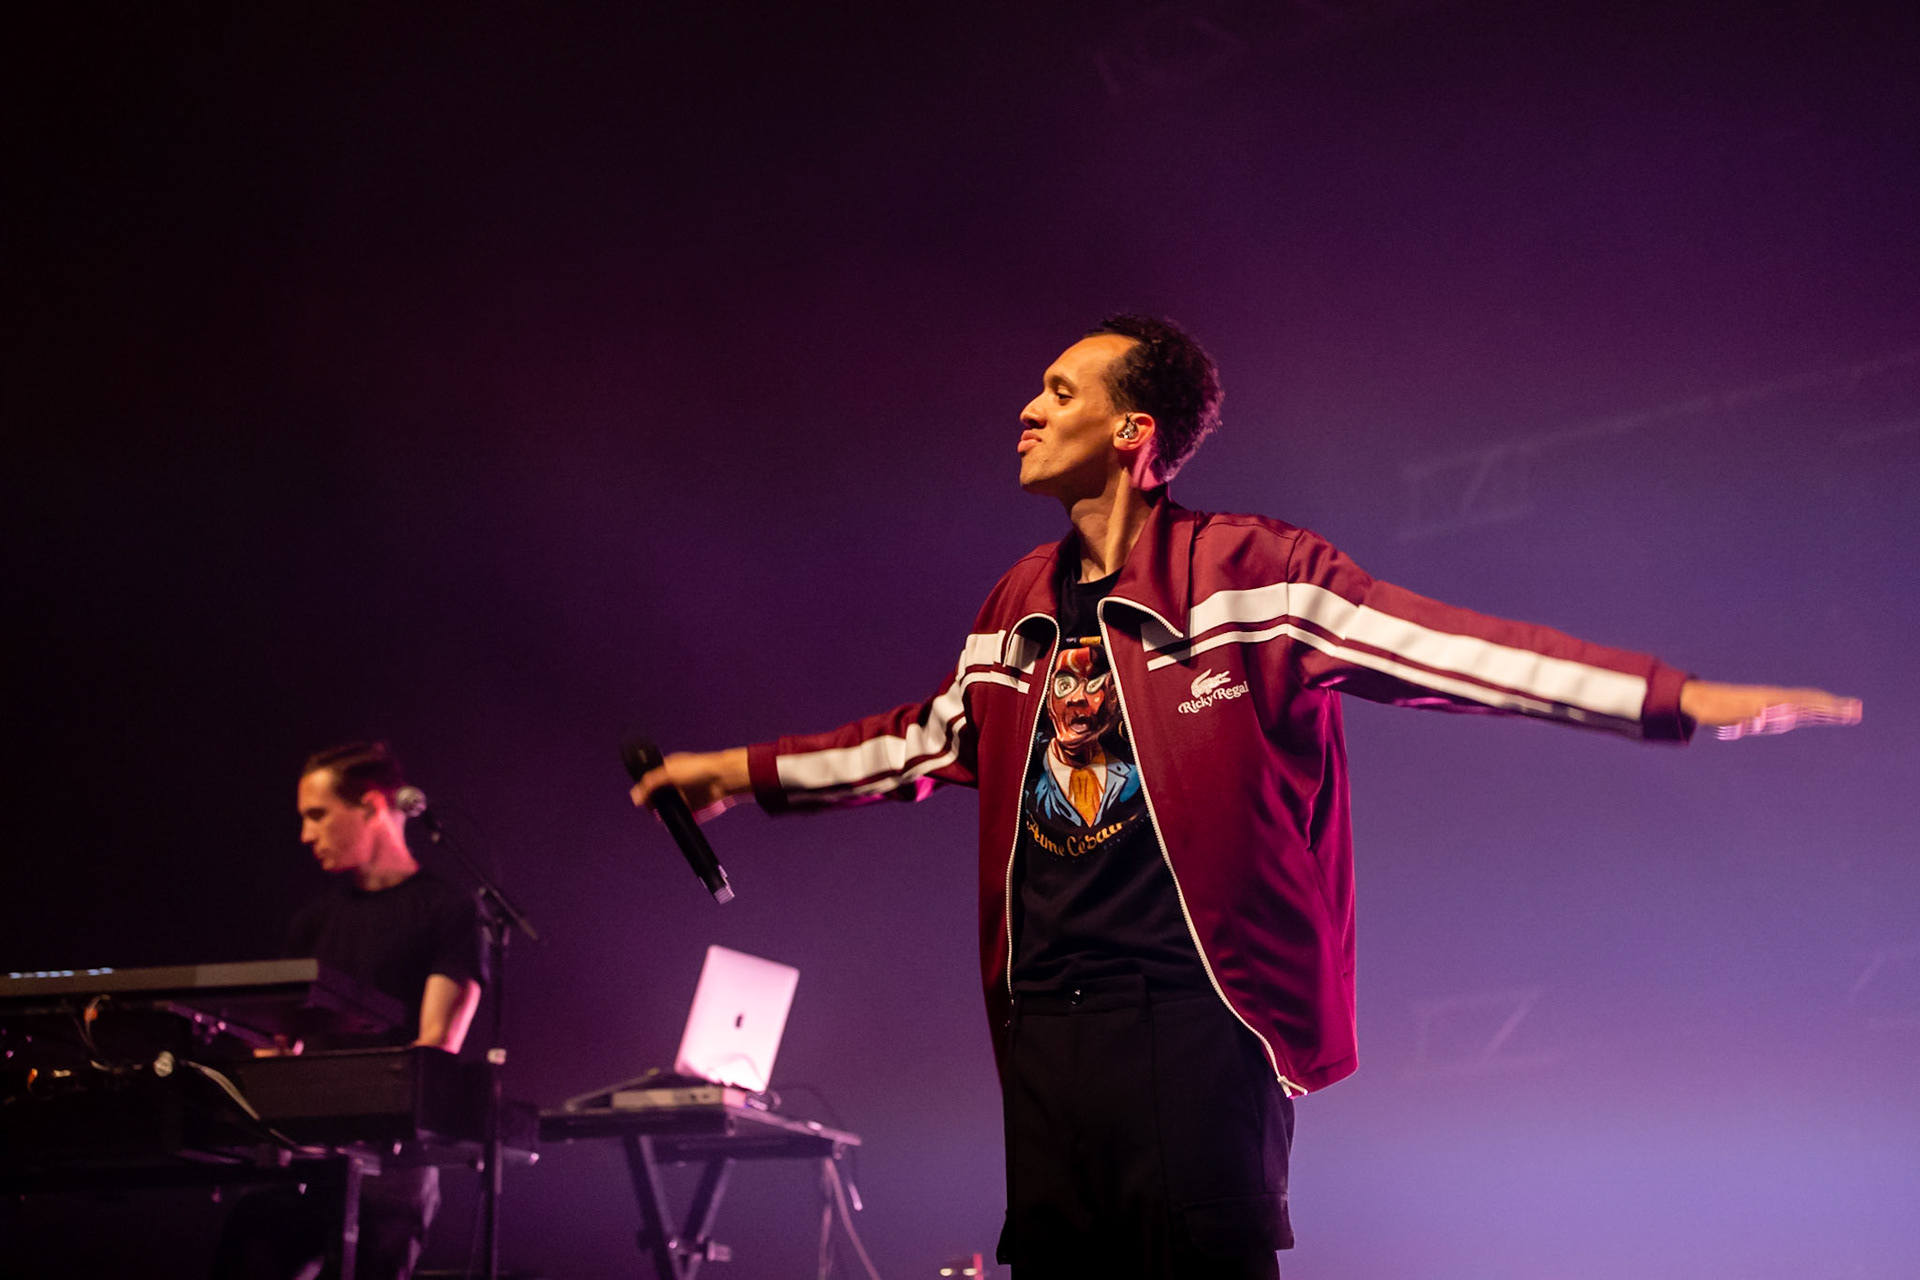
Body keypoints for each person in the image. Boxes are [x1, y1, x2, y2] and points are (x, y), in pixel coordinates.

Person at [630, 316, 1861, 1278]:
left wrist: (1670, 696)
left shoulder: (1250, 574)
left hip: (1196, 1018)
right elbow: (924, 739)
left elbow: (1452, 651)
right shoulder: (1016, 602)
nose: (1027, 408)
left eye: (1059, 390)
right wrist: (735, 771)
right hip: (1044, 1030)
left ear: (1133, 430)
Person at [213, 741, 486, 1280]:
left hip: (394, 1158)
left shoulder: (449, 909)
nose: (305, 834)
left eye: (317, 815)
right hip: (306, 1152)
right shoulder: (312, 922)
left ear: (372, 806)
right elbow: (280, 1040)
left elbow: (435, 1045)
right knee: (253, 1235)